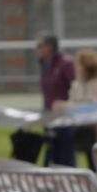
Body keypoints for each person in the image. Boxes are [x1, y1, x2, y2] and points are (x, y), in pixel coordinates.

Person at [36, 32, 78, 167]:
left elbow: (74, 88)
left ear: (49, 47)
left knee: (66, 156)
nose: (37, 49)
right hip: (50, 116)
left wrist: (67, 108)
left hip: (65, 118)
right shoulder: (45, 64)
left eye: (40, 46)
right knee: (51, 154)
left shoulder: (66, 64)